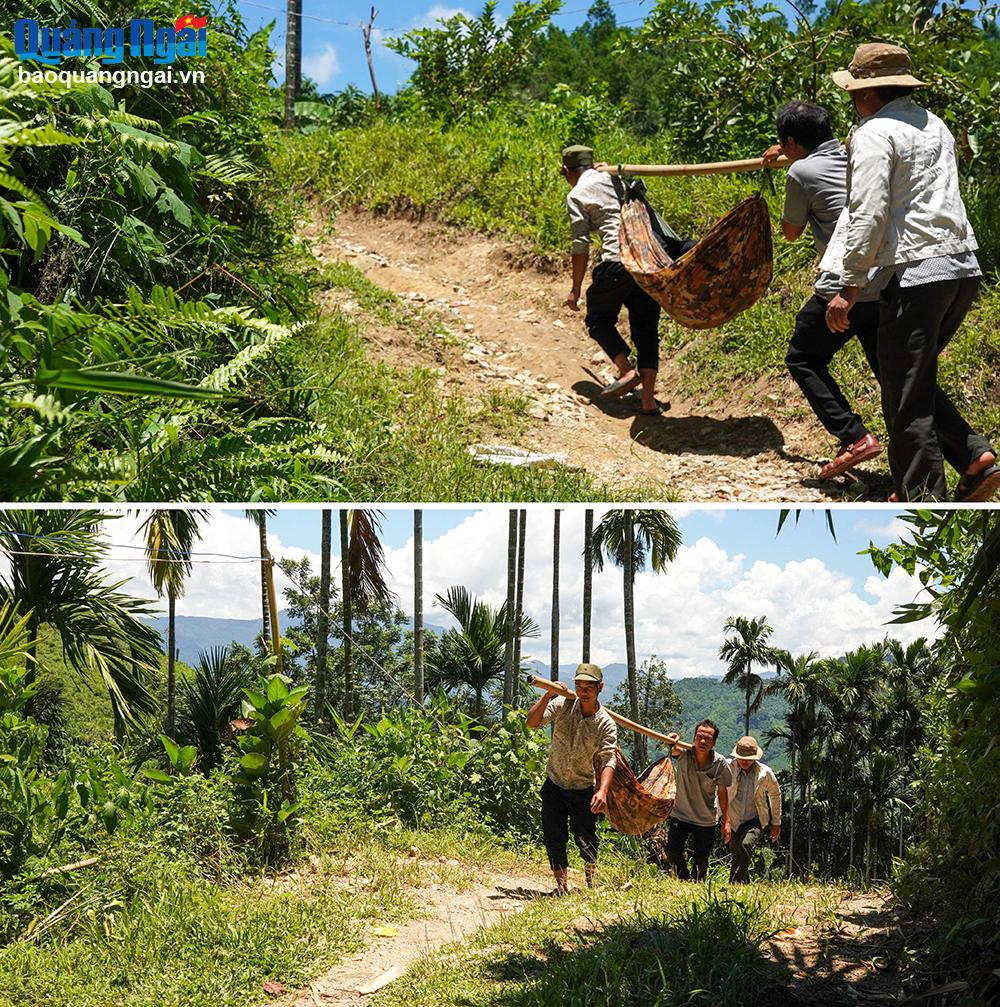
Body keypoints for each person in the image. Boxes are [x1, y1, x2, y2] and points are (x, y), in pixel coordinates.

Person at [824, 43, 999, 503]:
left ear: (865, 94)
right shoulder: (933, 124)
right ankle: (973, 456)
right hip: (962, 266)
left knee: (904, 398)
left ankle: (922, 497)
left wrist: (849, 285)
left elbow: (868, 211)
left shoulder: (873, 133)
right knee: (910, 378)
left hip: (917, 271)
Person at [762, 101, 883, 480]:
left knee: (802, 356)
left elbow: (791, 232)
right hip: (886, 281)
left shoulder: (800, 171)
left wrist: (794, 167)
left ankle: (854, 436)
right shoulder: (856, 153)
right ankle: (966, 456)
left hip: (844, 287)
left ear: (793, 141)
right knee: (890, 372)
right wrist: (786, 153)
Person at [561, 144, 667, 416]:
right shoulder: (614, 176)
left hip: (617, 264)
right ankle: (648, 401)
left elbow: (580, 245)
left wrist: (575, 289)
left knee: (598, 319)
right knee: (646, 328)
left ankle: (626, 370)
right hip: (646, 261)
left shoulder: (577, 194)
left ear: (566, 171)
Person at [525, 662, 618, 894]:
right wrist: (548, 695)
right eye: (579, 686)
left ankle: (590, 882)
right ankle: (561, 886)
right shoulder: (564, 703)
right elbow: (532, 723)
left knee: (585, 837)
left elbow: (609, 760)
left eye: (589, 687)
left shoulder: (605, 723)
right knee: (554, 836)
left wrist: (603, 791)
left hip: (583, 787)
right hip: (555, 784)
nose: (583, 692)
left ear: (600, 688)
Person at [666, 718, 732, 881]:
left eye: (708, 738)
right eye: (699, 737)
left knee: (701, 861)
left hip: (705, 819)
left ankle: (697, 887)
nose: (702, 741)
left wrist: (726, 821)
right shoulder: (684, 754)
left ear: (714, 743)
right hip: (681, 814)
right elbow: (674, 749)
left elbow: (723, 792)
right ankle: (684, 880)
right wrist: (672, 740)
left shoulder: (720, 764)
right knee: (672, 851)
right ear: (694, 737)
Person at [724, 735, 781, 884]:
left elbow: (775, 795)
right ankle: (744, 884)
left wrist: (776, 823)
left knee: (745, 845)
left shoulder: (765, 773)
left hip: (755, 819)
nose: (744, 761)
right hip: (733, 818)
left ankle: (733, 884)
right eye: (741, 757)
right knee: (737, 852)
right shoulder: (728, 767)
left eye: (748, 758)